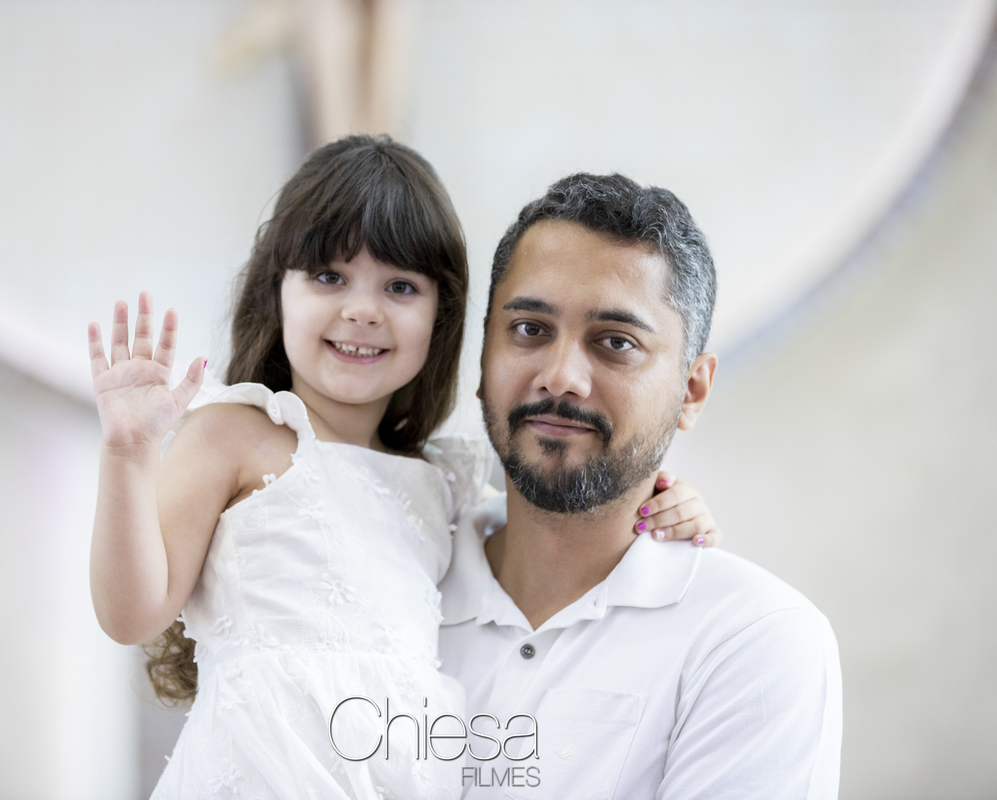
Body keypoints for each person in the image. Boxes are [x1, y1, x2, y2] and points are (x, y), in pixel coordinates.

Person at [85, 137, 721, 799]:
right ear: (278, 290)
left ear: (440, 317)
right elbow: (131, 616)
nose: (363, 310)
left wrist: (666, 504)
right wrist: (127, 456)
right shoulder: (233, 433)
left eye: (399, 286)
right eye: (329, 276)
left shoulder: (437, 483)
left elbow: (545, 541)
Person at [438, 173, 843, 798]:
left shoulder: (753, 640)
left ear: (692, 390)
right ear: (483, 355)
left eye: (616, 342)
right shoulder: (393, 581)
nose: (561, 377)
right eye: (530, 329)